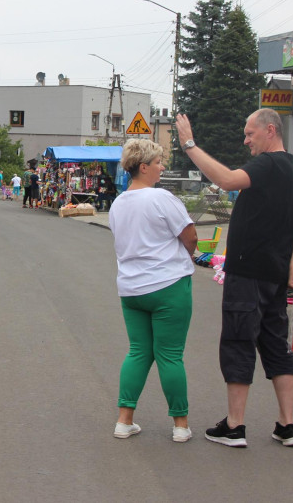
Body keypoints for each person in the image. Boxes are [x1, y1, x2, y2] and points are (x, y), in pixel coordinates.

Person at [175, 108, 293, 448]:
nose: (246, 140)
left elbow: (228, 180)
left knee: (238, 342)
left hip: (248, 272)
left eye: (250, 133)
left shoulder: (268, 164)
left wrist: (189, 144)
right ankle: (287, 424)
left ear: (270, 130)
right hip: (276, 273)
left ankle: (235, 426)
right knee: (276, 345)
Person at [109, 139, 198, 442]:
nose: (162, 166)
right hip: (168, 285)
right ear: (143, 167)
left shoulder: (118, 203)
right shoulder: (162, 198)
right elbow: (190, 235)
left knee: (138, 352)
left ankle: (124, 420)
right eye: (158, 162)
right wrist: (189, 255)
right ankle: (180, 425)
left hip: (132, 289)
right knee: (170, 355)